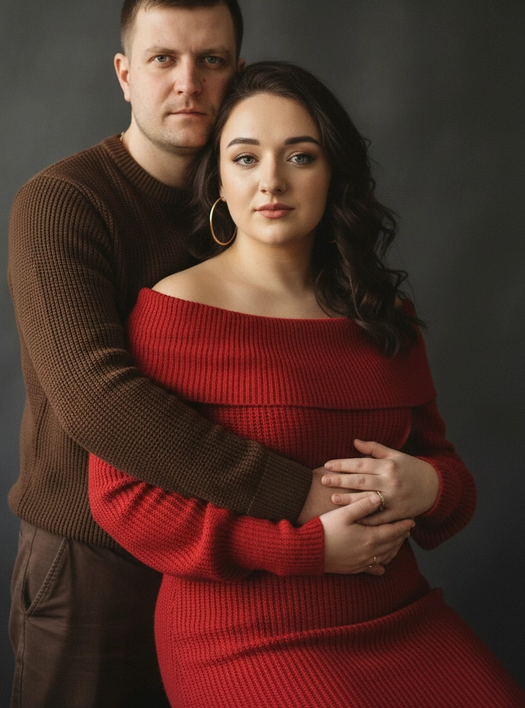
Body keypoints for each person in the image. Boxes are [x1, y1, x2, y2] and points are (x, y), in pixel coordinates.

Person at [89, 62, 525, 708]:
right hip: (243, 632)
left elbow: (450, 485)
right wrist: (304, 551)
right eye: (245, 158)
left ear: (332, 175)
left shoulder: (381, 314)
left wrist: (427, 485)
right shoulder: (173, 312)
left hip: (397, 613)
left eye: (300, 156)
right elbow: (120, 498)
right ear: (219, 182)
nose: (271, 181)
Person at [7, 0, 344, 708]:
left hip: (231, 552)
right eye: (164, 59)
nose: (189, 82)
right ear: (125, 74)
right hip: (94, 559)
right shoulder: (62, 205)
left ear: (240, 74)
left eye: (212, 60)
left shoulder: (255, 201)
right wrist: (298, 495)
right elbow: (98, 401)